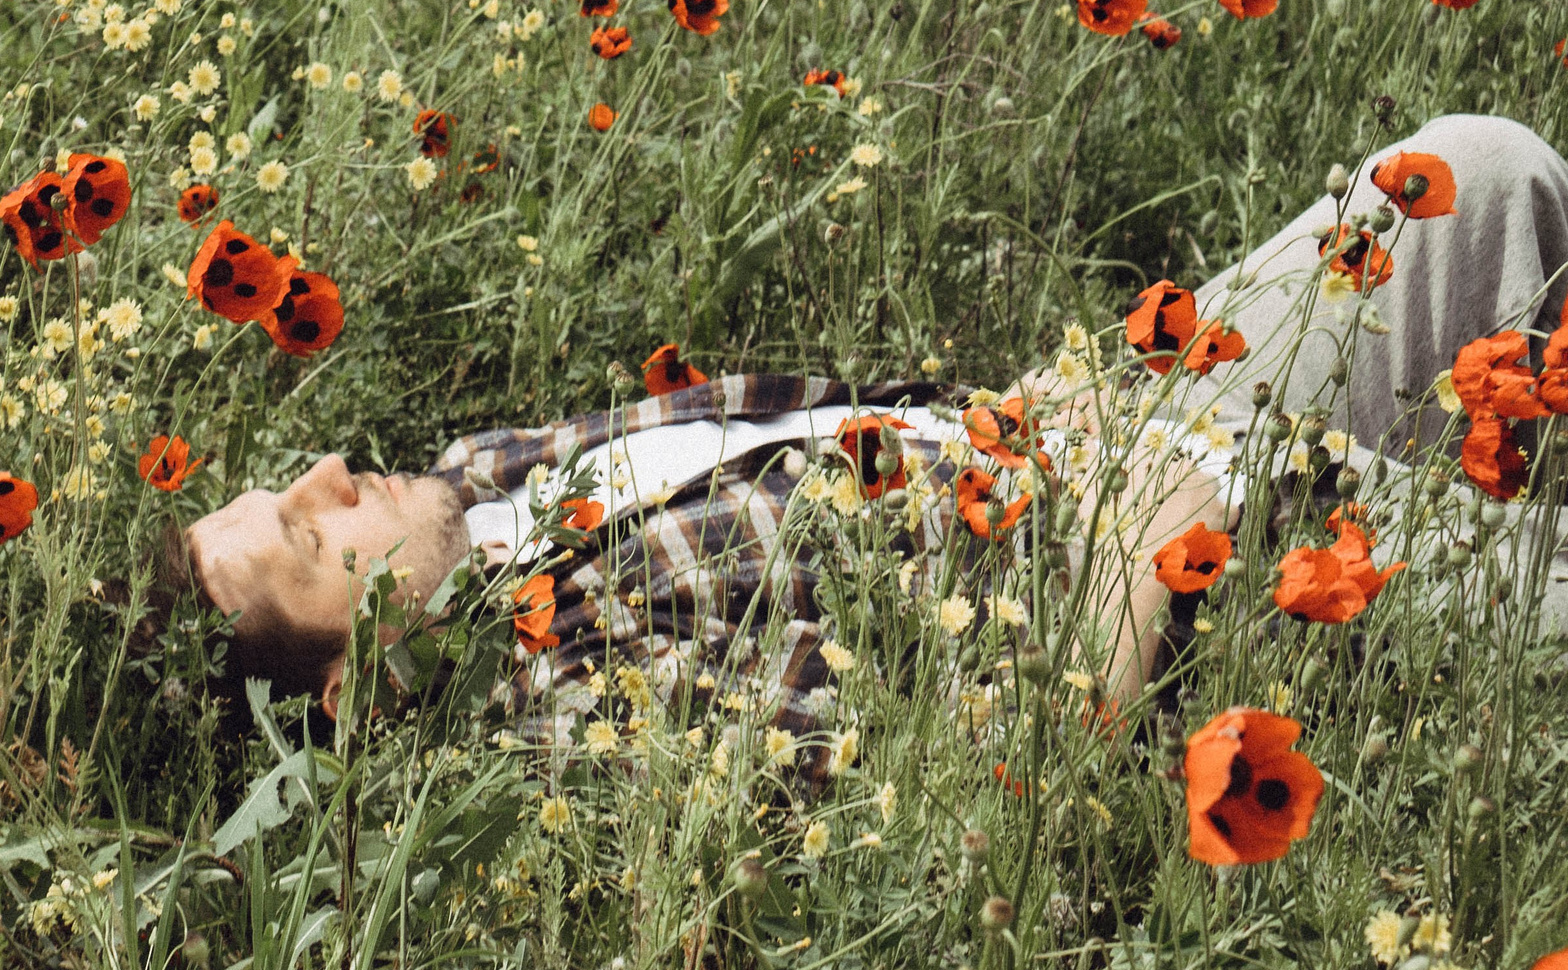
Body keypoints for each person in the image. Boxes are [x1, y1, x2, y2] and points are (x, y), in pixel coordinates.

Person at [167, 115, 1568, 729]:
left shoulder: (482, 489)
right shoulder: (567, 706)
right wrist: (1146, 542)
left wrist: (1033, 413)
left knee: (1475, 179)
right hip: (1164, 572)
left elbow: (845, 432)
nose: (336, 468)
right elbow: (980, 781)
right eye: (307, 529)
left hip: (1075, 433)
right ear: (359, 697)